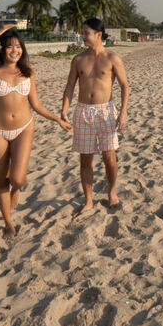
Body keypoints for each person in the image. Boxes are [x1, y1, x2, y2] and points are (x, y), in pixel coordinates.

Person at [0, 25, 69, 237]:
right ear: (1, 49)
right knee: (1, 180)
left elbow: (36, 104)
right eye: (9, 46)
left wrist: (57, 119)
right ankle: (8, 223)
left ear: (22, 49)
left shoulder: (28, 73)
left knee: (18, 178)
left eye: (18, 46)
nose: (14, 50)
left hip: (24, 128)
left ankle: (16, 189)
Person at [60, 18, 130, 218]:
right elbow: (70, 87)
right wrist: (64, 110)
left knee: (109, 156)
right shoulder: (78, 60)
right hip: (83, 112)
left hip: (106, 111)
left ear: (99, 34)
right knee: (85, 159)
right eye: (82, 32)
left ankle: (112, 192)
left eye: (86, 33)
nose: (83, 36)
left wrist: (123, 112)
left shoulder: (112, 58)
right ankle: (88, 200)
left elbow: (125, 86)